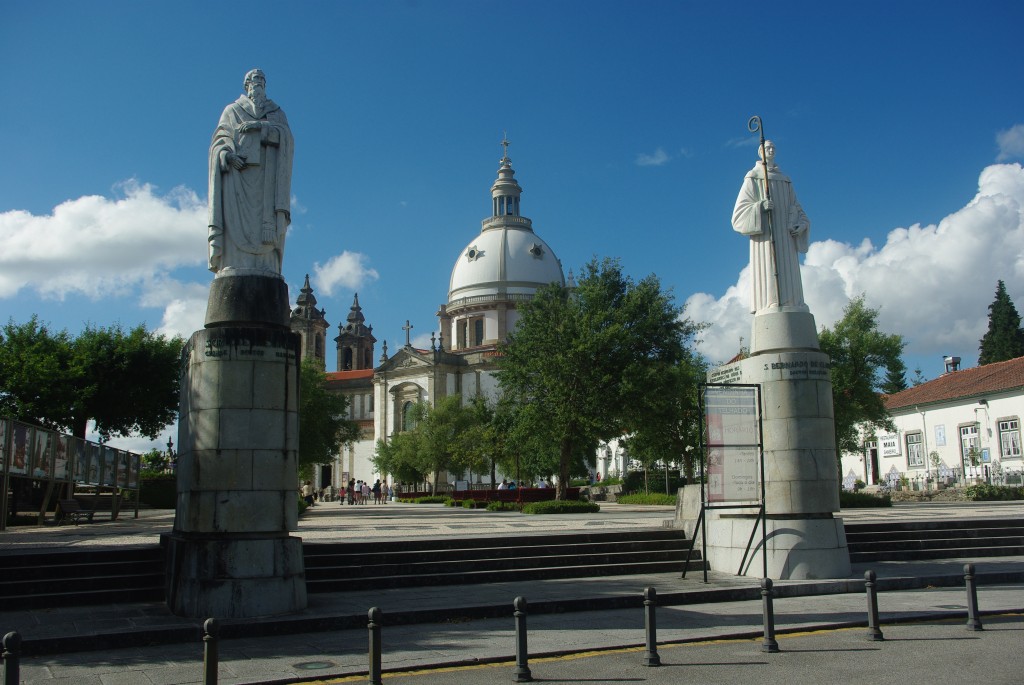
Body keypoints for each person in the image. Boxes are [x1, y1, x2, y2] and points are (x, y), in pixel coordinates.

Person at [208, 68, 294, 276]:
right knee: (234, 221)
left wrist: (259, 127)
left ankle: (266, 264)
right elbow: (219, 142)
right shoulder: (232, 111)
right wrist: (228, 156)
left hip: (267, 179)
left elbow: (287, 140)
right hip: (238, 177)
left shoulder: (276, 113)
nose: (258, 83)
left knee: (266, 229)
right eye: (253, 80)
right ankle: (234, 261)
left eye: (261, 80)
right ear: (246, 86)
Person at [731, 139, 810, 314]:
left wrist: (801, 225)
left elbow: (797, 208)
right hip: (767, 237)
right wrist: (760, 206)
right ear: (761, 152)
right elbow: (739, 214)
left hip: (787, 237)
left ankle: (793, 300)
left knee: (789, 271)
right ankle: (771, 300)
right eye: (767, 147)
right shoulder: (753, 177)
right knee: (770, 268)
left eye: (773, 147)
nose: (771, 150)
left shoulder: (785, 180)